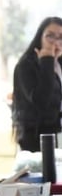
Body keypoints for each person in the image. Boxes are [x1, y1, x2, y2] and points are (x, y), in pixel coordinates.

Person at [12, 16, 62, 152]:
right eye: (50, 36)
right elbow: (41, 101)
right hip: (34, 138)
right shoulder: (26, 65)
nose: (56, 42)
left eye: (60, 37)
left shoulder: (59, 63)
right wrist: (47, 61)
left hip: (56, 134)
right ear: (40, 37)